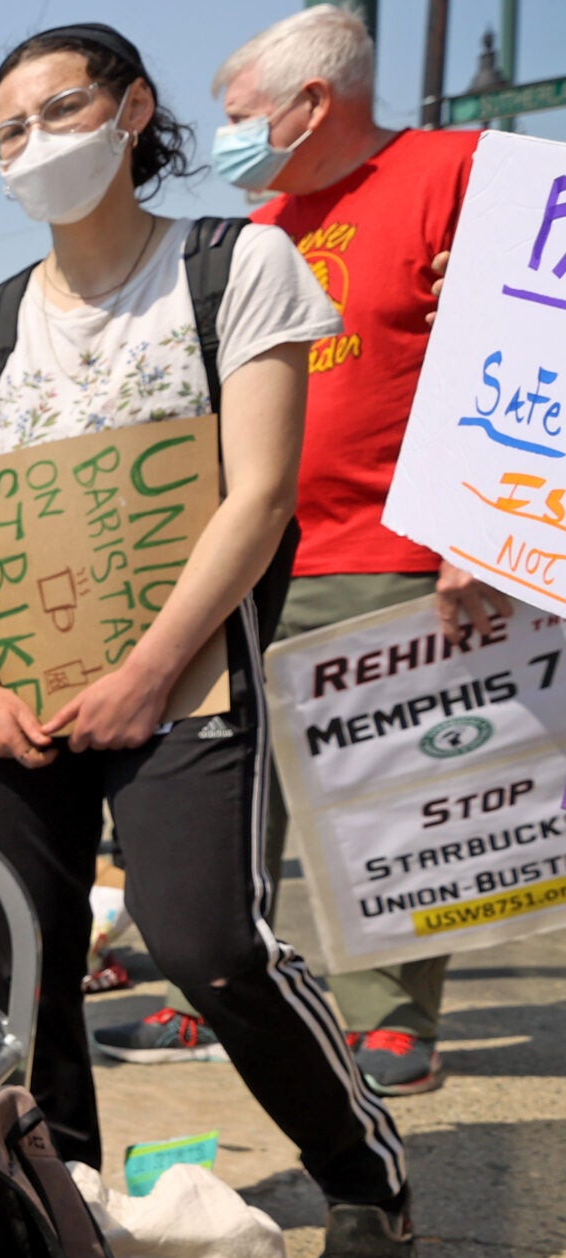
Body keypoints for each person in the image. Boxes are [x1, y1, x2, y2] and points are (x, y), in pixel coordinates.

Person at [0, 25, 417, 1258]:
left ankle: (365, 1180)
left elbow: (255, 498)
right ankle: (63, 1202)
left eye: (60, 110)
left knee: (211, 942)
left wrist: (146, 673)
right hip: (13, 701)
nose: (35, 145)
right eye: (8, 131)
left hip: (184, 683)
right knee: (31, 972)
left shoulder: (232, 265)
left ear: (134, 109)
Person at [117, 7, 496, 1096]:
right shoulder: (260, 226)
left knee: (386, 797)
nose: (224, 138)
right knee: (226, 798)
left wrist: (476, 530)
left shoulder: (453, 173)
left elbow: (523, 343)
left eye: (239, 117)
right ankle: (231, 999)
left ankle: (389, 1018)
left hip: (388, 551)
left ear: (312, 103)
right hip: (247, 555)